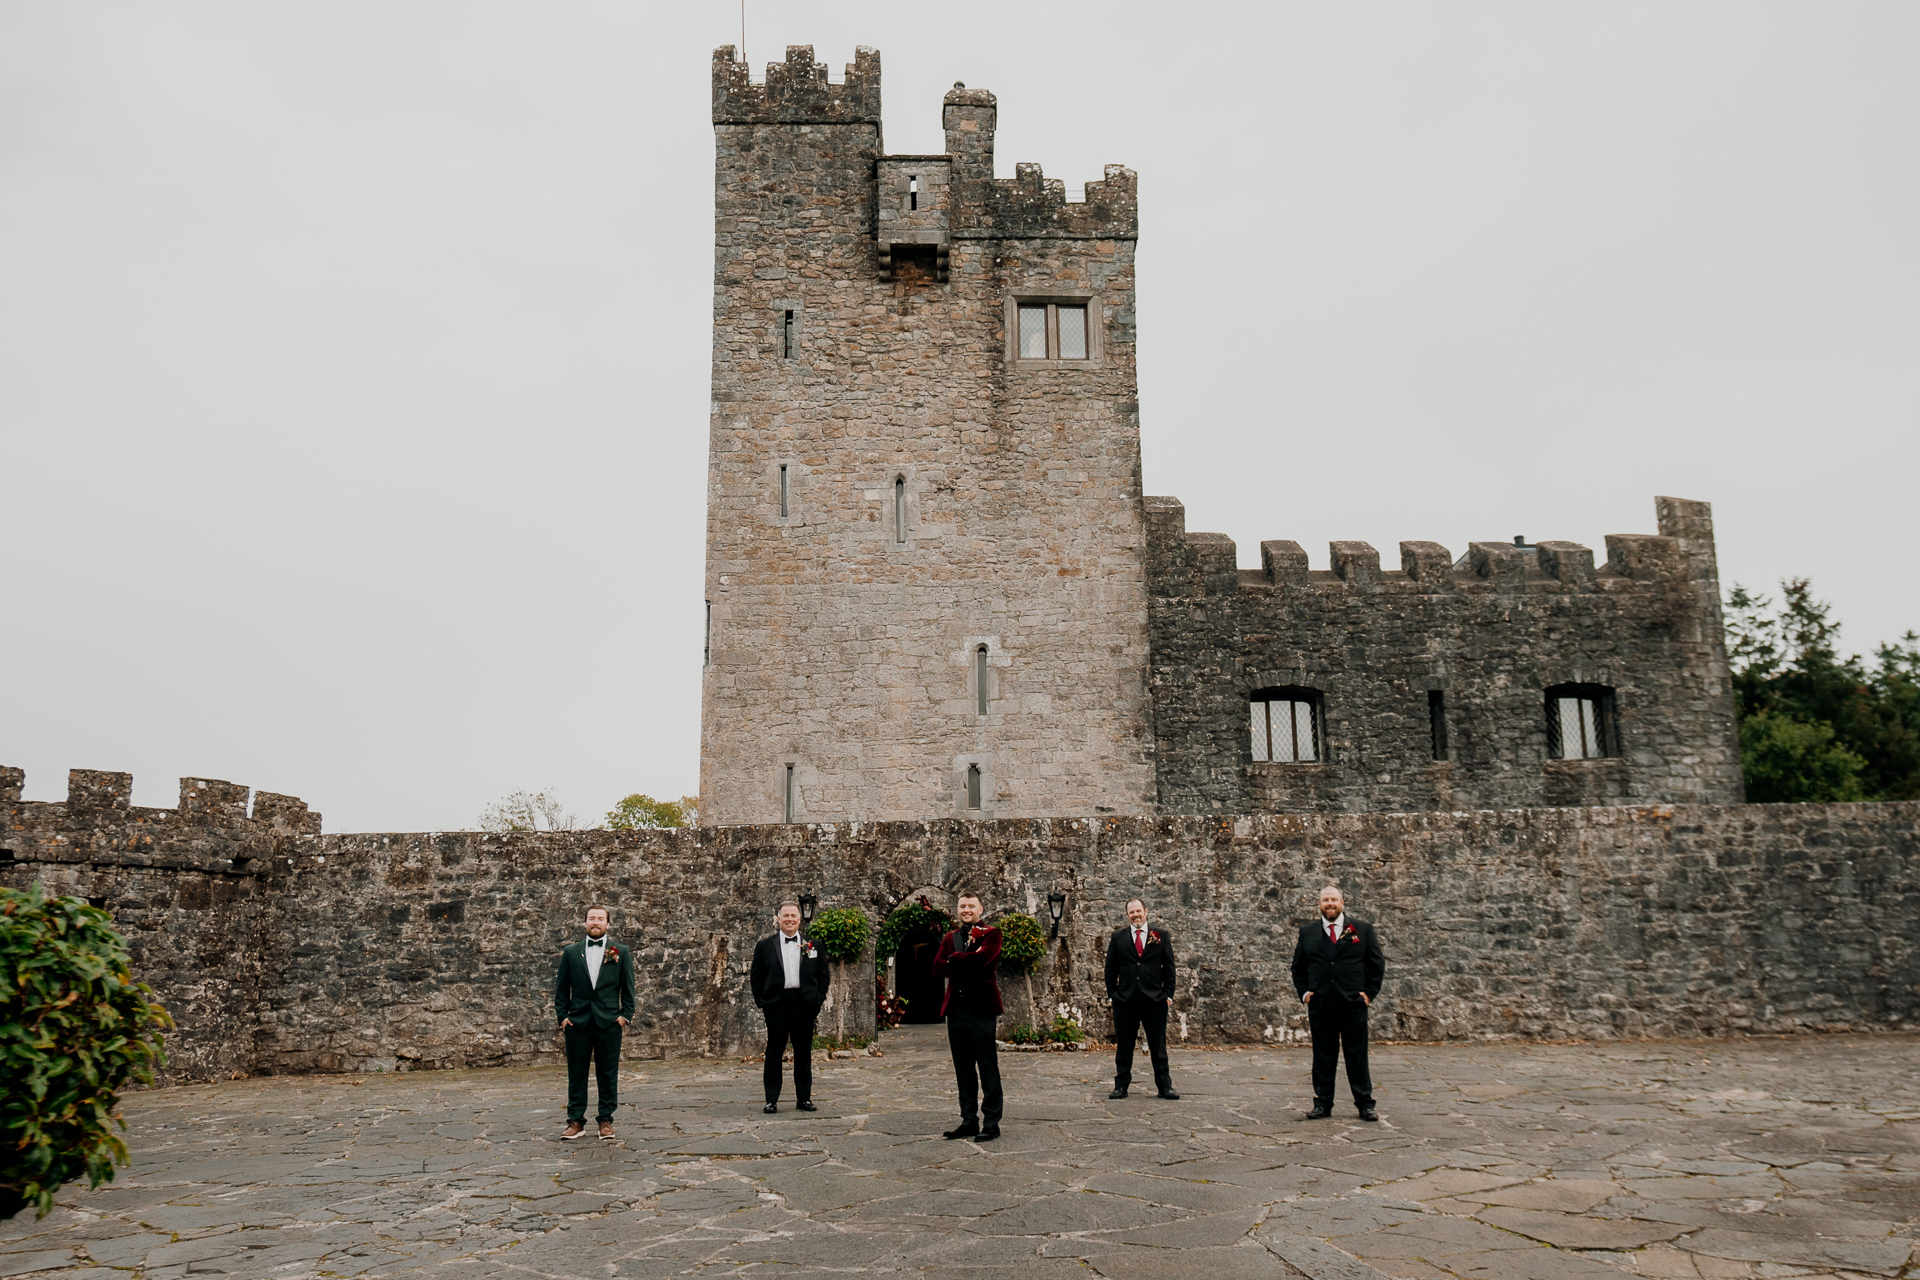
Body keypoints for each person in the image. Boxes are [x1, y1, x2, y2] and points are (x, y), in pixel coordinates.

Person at [1290, 884, 1385, 1121]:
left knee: (1357, 1055)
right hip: (1321, 1004)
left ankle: (1365, 1104)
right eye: (1325, 900)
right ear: (1319, 904)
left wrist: (1369, 993)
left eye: (1333, 899)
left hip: (1352, 1004)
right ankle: (1323, 1103)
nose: (1329, 904)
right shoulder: (1307, 932)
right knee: (1323, 1055)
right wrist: (1304, 993)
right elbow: (1298, 967)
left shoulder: (1362, 929)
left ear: (1342, 902)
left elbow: (1376, 964)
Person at [553, 905, 635, 1140]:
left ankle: (606, 1120)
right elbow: (562, 989)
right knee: (576, 1073)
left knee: (608, 1073)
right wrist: (563, 1017)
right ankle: (576, 1121)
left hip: (609, 1023)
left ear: (607, 924)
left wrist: (624, 1016)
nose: (596, 922)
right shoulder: (571, 952)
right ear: (585, 923)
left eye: (600, 919)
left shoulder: (620, 951)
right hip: (577, 1023)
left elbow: (628, 988)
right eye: (591, 918)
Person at [931, 892, 1004, 1142]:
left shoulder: (992, 934)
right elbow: (937, 967)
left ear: (980, 909)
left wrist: (955, 959)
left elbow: (984, 959)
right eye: (962, 906)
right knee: (963, 1069)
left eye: (971, 906)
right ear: (957, 909)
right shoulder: (950, 937)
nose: (966, 909)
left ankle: (992, 1123)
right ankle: (968, 1121)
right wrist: (962, 959)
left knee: (987, 1066)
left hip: (982, 1009)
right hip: (956, 1010)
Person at [749, 900, 831, 1113]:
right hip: (776, 1004)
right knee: (774, 1051)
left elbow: (823, 976)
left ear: (799, 919)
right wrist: (762, 1002)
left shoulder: (813, 945)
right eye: (785, 915)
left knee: (803, 1053)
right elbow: (756, 976)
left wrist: (817, 1000)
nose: (790, 919)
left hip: (804, 1004)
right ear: (778, 919)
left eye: (793, 916)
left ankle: (804, 1099)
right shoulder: (764, 946)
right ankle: (771, 1100)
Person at [1103, 897, 1179, 1100]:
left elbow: (1169, 968)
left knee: (1158, 1047)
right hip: (1125, 1002)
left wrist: (1168, 996)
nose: (1135, 915)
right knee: (1124, 1047)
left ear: (1146, 911)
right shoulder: (1117, 938)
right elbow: (1110, 970)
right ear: (1127, 915)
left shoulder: (1160, 936)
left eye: (1138, 911)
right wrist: (1113, 996)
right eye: (1131, 912)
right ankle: (1121, 1086)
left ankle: (1165, 1086)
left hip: (1155, 1001)